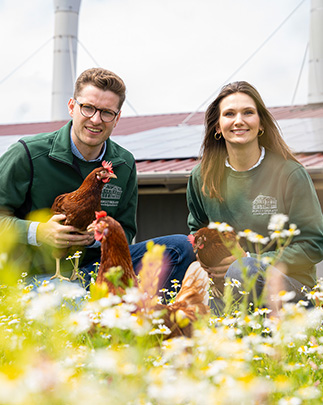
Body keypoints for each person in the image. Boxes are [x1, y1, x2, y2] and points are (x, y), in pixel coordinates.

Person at [0, 67, 195, 291]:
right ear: (72, 107)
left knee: (180, 248)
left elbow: (127, 230)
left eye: (106, 112)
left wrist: (98, 237)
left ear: (117, 117)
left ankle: (152, 316)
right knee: (72, 300)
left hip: (96, 268)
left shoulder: (123, 164)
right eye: (88, 108)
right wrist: (37, 232)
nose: (95, 119)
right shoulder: (28, 154)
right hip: (37, 275)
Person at [186, 81, 323, 312]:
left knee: (244, 269)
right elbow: (196, 232)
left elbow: (314, 244)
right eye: (229, 114)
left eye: (248, 112)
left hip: (292, 291)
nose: (239, 120)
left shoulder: (289, 174)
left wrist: (249, 259)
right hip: (226, 288)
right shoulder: (202, 176)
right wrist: (208, 264)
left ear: (260, 124)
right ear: (217, 127)